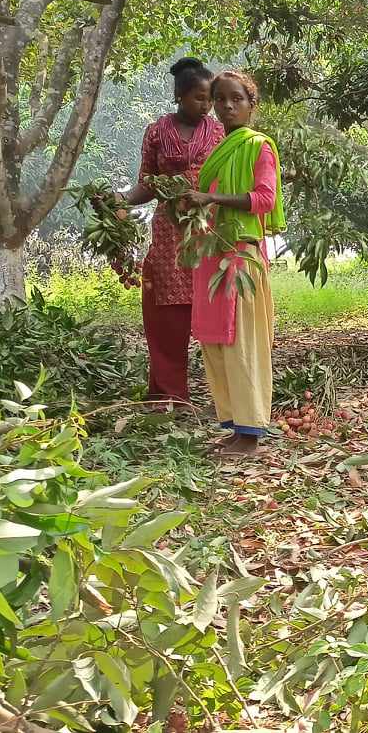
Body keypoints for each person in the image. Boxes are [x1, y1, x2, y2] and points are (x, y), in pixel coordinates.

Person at [180, 70, 285, 457]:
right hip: (212, 254)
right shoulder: (216, 152)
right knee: (215, 341)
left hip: (241, 256)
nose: (227, 106)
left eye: (236, 98)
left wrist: (213, 200)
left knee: (242, 342)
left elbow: (264, 199)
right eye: (220, 98)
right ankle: (235, 426)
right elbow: (206, 201)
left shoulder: (259, 147)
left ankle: (252, 431)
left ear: (251, 104)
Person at [119, 58, 224, 410]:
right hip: (169, 234)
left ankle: (226, 395)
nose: (207, 106)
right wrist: (119, 200)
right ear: (179, 95)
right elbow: (146, 184)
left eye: (210, 99)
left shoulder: (220, 133)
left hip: (210, 230)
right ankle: (169, 396)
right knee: (167, 314)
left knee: (216, 308)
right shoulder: (156, 133)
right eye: (200, 98)